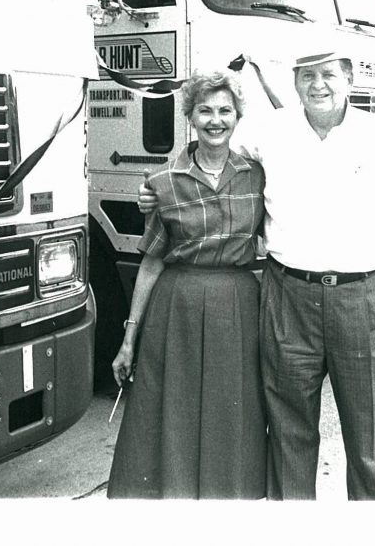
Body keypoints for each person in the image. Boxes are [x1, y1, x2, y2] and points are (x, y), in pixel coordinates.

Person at [138, 52, 375, 500]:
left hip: (363, 301)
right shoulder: (270, 131)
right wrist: (158, 189)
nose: (319, 85)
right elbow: (210, 146)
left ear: (349, 79)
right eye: (308, 76)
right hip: (288, 298)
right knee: (289, 440)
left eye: (329, 75)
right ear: (294, 82)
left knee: (370, 447)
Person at [107, 70, 267, 499]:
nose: (216, 121)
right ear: (190, 117)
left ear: (238, 117)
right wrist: (129, 339)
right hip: (175, 307)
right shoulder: (162, 182)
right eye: (205, 111)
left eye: (225, 111)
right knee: (173, 410)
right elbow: (152, 262)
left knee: (233, 411)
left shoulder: (257, 175)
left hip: (238, 304)